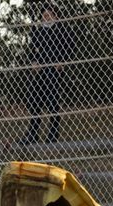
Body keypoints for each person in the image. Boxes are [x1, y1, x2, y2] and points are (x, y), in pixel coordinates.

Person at [20, 4, 73, 145]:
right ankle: (33, 133)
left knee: (52, 101)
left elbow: (70, 47)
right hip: (39, 71)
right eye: (44, 15)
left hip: (54, 70)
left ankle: (53, 133)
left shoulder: (62, 30)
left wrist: (63, 61)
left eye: (49, 15)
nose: (46, 17)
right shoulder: (37, 32)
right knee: (35, 101)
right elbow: (31, 49)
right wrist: (33, 62)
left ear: (55, 16)